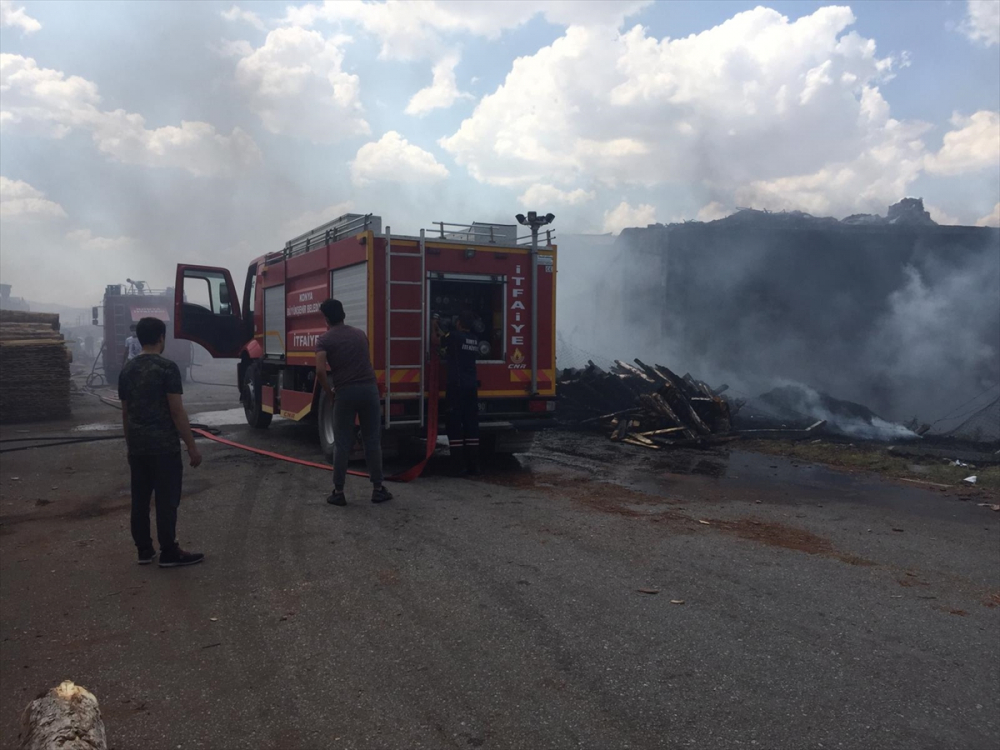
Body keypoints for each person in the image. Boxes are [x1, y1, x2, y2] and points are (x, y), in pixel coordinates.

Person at [118, 317, 204, 568]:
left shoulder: (127, 370)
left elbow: (125, 413)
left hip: (137, 446)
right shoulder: (167, 368)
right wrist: (191, 446)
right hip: (164, 447)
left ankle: (144, 550)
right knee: (166, 500)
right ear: (161, 338)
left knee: (140, 499)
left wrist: (129, 445)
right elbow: (177, 411)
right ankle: (169, 551)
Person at [315, 298, 392, 506]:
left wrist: (330, 395)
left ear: (326, 319)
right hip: (369, 390)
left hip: (345, 392)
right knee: (372, 440)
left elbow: (320, 371)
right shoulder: (360, 334)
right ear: (344, 315)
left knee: (342, 443)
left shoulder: (324, 340)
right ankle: (378, 489)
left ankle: (339, 492)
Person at [433, 310, 481, 475]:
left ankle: (457, 467)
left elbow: (438, 339)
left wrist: (434, 323)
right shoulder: (474, 340)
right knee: (471, 424)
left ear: (459, 323)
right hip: (471, 387)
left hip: (456, 387)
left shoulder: (454, 337)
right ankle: (473, 466)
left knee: (454, 425)